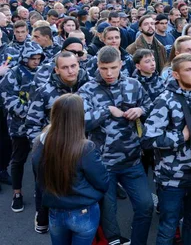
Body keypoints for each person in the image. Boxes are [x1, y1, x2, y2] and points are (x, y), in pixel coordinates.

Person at [79, 46, 154, 245]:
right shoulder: (87, 89)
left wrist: (140, 110)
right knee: (109, 214)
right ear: (98, 66)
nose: (109, 73)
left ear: (121, 64)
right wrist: (107, 110)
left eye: (113, 67)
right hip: (103, 164)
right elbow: (81, 120)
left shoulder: (134, 84)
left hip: (132, 161)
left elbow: (150, 106)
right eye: (104, 68)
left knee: (146, 206)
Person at [142, 54, 191, 245]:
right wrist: (182, 136)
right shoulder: (164, 101)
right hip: (172, 179)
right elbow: (149, 140)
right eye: (188, 70)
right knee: (168, 227)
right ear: (175, 74)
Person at [31, 94, 109, 245]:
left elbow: (39, 178)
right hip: (83, 211)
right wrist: (93, 196)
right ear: (79, 116)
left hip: (55, 211)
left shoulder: (39, 142)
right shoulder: (86, 147)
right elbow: (102, 182)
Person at [0, 41, 44, 214]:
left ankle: (39, 192)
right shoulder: (14, 74)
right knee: (18, 160)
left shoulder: (43, 72)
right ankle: (17, 193)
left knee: (39, 162)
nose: (36, 61)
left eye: (39, 58)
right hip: (19, 126)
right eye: (32, 58)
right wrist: (28, 112)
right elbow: (7, 96)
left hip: (39, 126)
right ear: (24, 58)